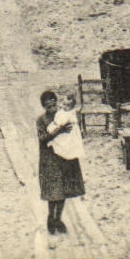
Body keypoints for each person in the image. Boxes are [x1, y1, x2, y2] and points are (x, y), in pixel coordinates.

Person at [37, 91, 85, 236]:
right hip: (49, 158)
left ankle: (58, 219)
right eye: (47, 103)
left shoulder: (63, 114)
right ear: (44, 106)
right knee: (53, 191)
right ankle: (51, 218)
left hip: (65, 155)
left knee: (63, 189)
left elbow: (74, 128)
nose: (51, 105)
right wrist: (59, 131)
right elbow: (43, 138)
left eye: (52, 101)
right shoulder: (41, 119)